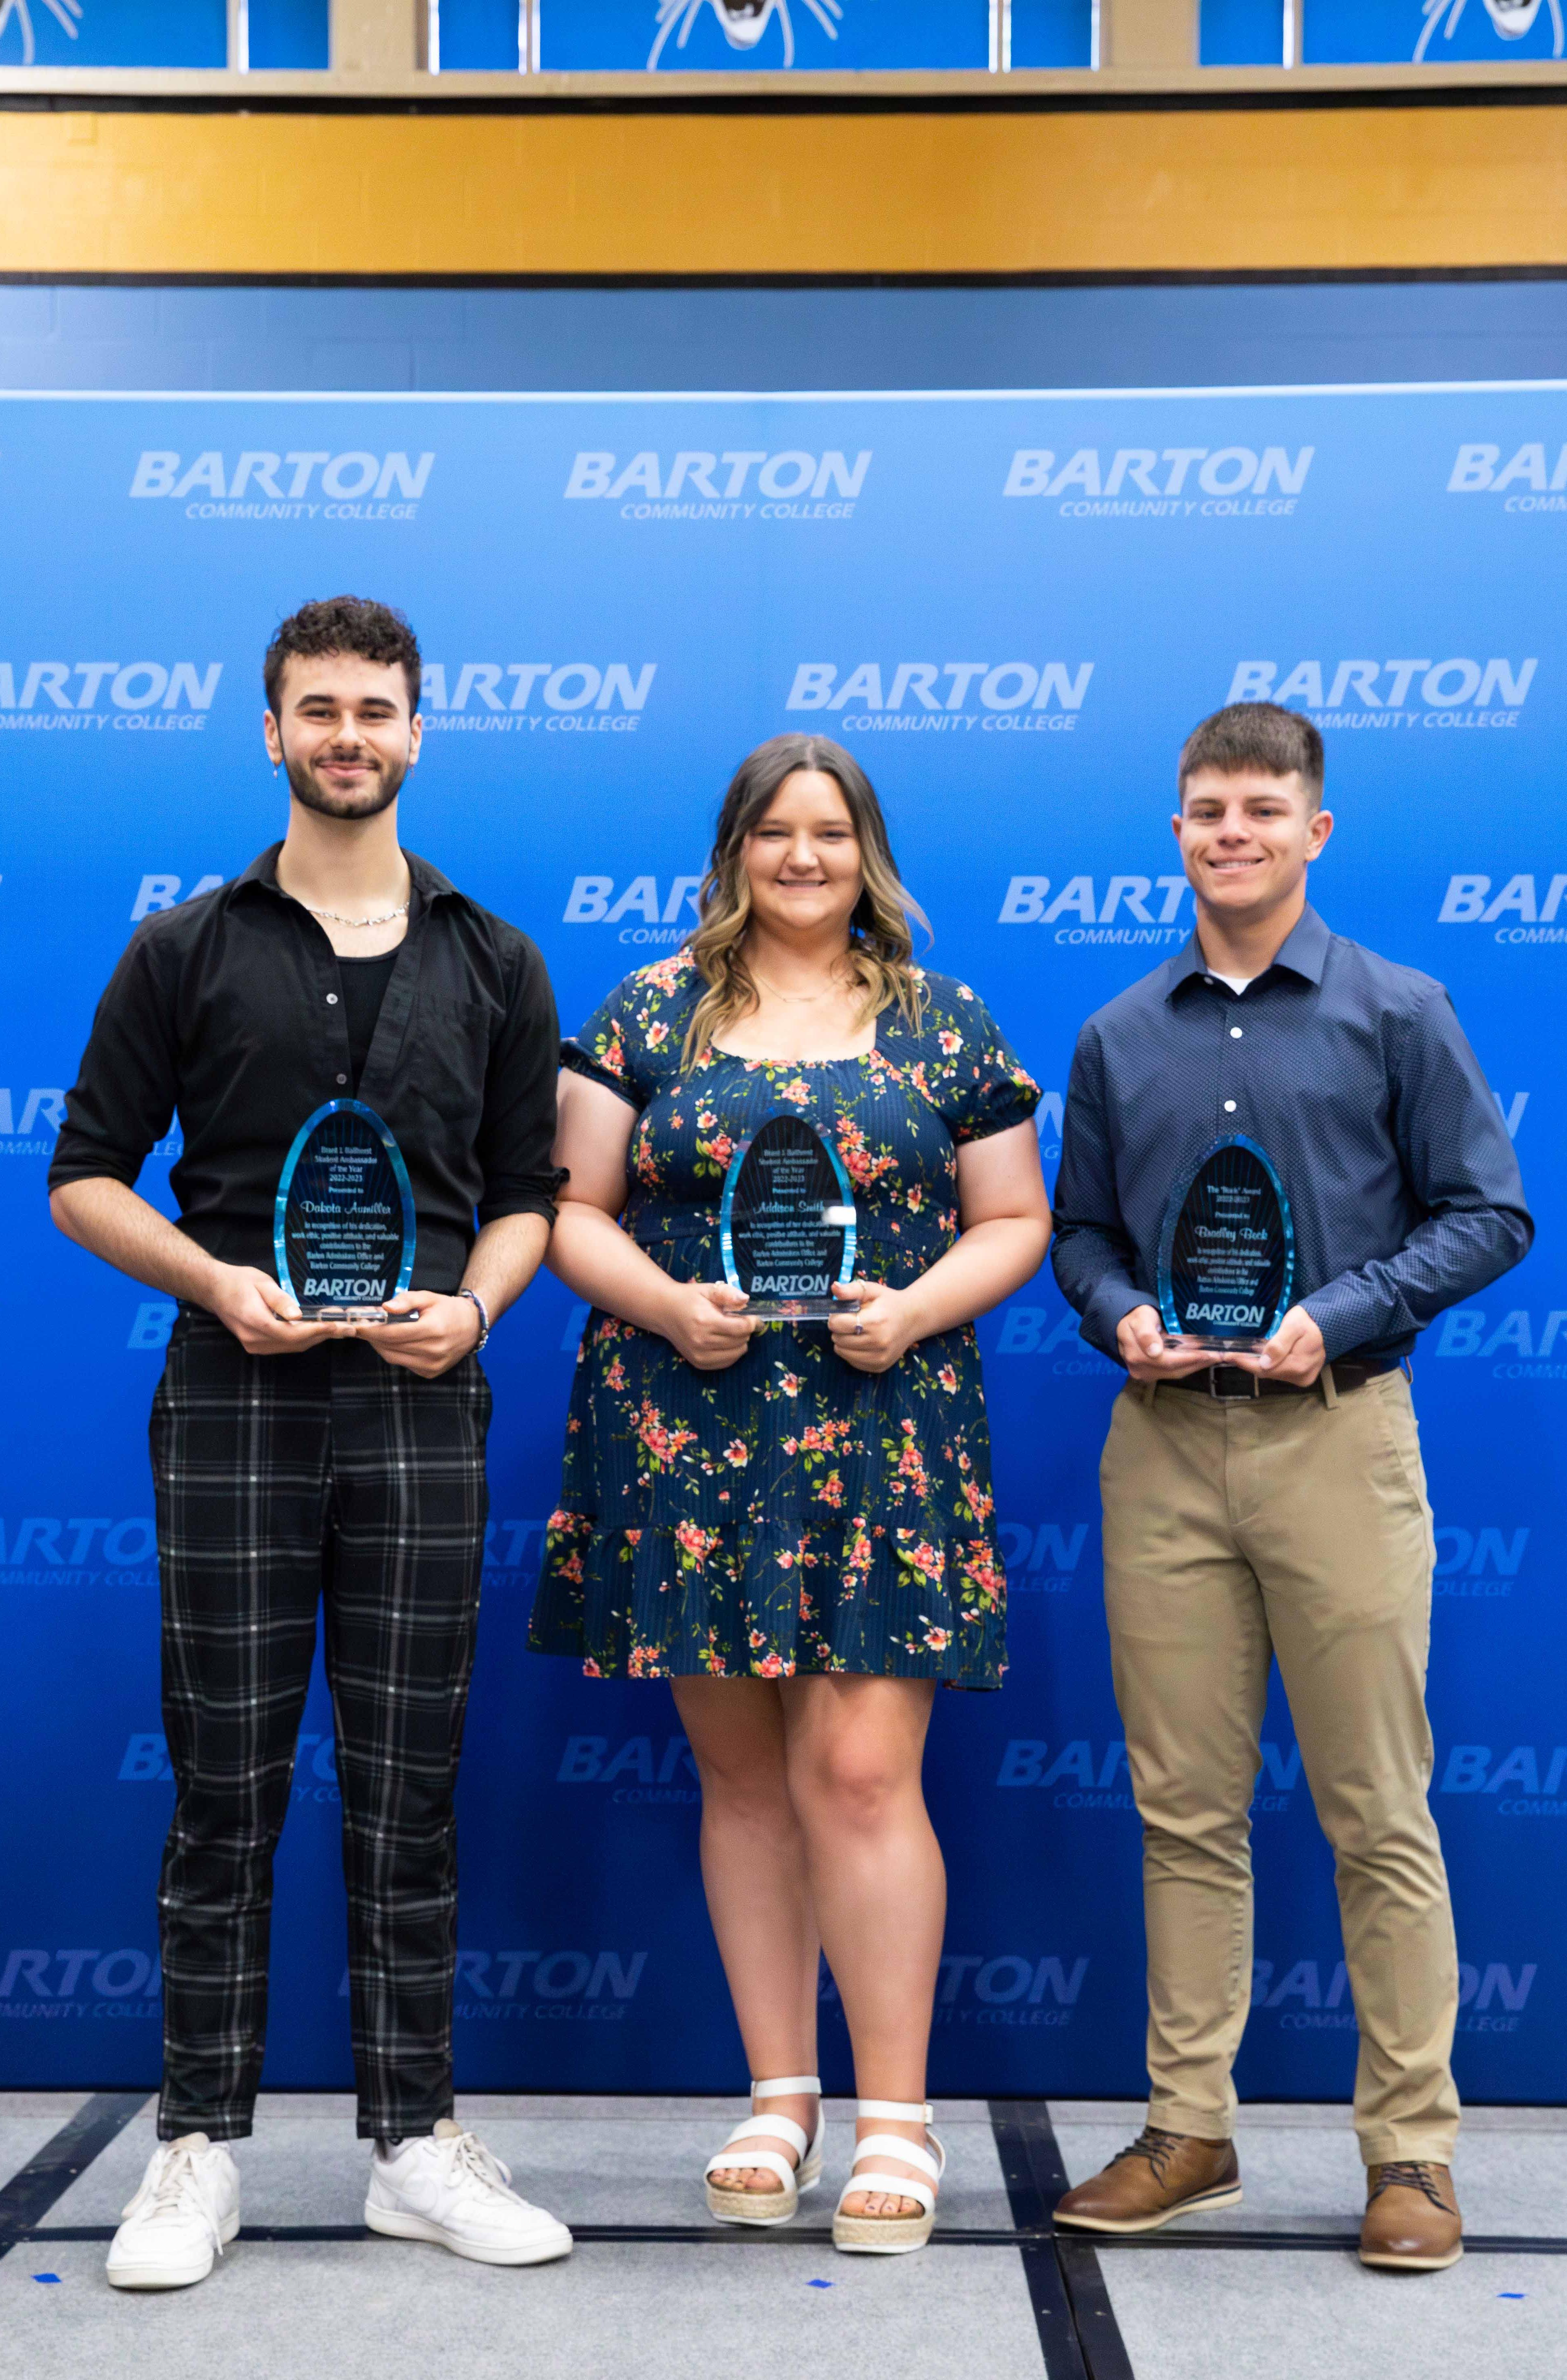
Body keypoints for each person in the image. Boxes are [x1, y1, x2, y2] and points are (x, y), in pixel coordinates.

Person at [48, 596, 573, 2288]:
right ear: (271, 733)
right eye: (319, 709)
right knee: (224, 1787)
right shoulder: (183, 948)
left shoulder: (495, 959)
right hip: (233, 1398)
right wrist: (213, 1279)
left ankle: (413, 2143)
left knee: (407, 1789)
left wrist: (478, 1311)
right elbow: (83, 1176)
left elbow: (528, 1203)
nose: (350, 734)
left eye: (378, 709)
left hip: (425, 1401)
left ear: (422, 732)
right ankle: (196, 2143)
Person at [530, 733, 1050, 2254]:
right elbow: (574, 1212)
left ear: (866, 849)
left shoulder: (943, 1024)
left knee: (864, 1774)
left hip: (889, 1432)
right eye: (776, 833)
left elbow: (1012, 1217)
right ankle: (780, 2094)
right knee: (747, 1780)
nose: (803, 857)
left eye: (830, 832)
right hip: (687, 1436)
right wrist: (662, 1303)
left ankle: (900, 2114)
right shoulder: (648, 1012)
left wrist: (921, 1307)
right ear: (735, 851)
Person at [1049, 701, 1532, 2273]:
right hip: (1169, 1444)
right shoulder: (1121, 1036)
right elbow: (1079, 1233)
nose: (1232, 832)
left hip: (1338, 1429)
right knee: (1184, 1810)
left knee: (1378, 1808)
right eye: (1206, 810)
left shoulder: (1400, 1011)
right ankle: (1190, 2131)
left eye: (1263, 808)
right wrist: (1114, 1306)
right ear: (1176, 831)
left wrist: (1344, 1311)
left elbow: (1491, 1214)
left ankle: (1412, 2153)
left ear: (1317, 832)